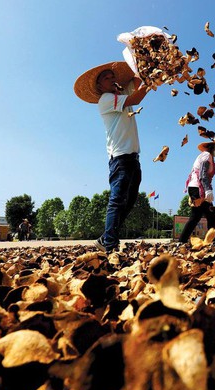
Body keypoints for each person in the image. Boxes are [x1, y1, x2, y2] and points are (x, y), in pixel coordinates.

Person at [74, 61, 152, 252]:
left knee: (129, 202)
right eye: (106, 78)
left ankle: (105, 238)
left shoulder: (121, 94)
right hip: (120, 158)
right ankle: (110, 245)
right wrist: (153, 82)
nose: (111, 79)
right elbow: (136, 98)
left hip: (133, 158)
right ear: (99, 86)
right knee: (117, 201)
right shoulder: (106, 99)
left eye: (113, 76)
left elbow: (136, 79)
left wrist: (145, 64)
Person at [179, 141, 215, 243]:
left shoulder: (209, 157)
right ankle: (181, 242)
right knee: (196, 216)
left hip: (199, 188)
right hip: (198, 188)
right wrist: (208, 190)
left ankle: (213, 241)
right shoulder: (206, 155)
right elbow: (202, 174)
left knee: (209, 215)